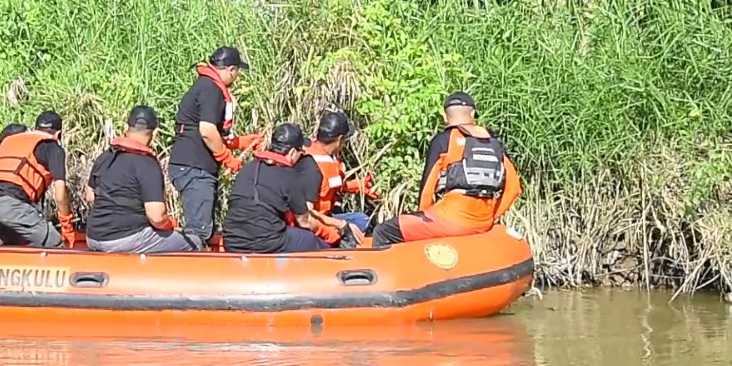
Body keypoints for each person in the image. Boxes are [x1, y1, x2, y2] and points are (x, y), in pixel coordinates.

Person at [373, 93, 522, 246]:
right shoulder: (494, 142)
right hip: (484, 222)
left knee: (384, 231)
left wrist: (423, 216)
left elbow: (427, 189)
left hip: (451, 219)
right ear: (472, 114)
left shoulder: (443, 140)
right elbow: (514, 189)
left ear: (445, 116)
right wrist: (491, 217)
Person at [168, 46, 262, 250]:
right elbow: (207, 130)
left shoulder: (205, 86)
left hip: (192, 165)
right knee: (198, 230)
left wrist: (239, 142)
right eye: (237, 72)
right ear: (230, 70)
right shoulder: (211, 89)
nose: (236, 77)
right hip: (193, 167)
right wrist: (227, 158)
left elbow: (211, 132)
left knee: (205, 228)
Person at [84, 105, 198, 253]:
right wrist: (170, 226)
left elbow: (90, 196)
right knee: (194, 241)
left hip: (93, 237)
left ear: (126, 127)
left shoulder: (106, 156)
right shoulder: (147, 164)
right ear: (155, 133)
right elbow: (156, 217)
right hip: (126, 239)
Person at [221, 123, 328, 254]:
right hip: (265, 242)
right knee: (312, 241)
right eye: (301, 152)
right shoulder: (290, 176)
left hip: (231, 240)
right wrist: (329, 231)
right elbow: (304, 222)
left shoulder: (248, 167)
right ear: (293, 152)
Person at [0, 110, 76, 248]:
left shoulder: (12, 140)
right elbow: (60, 194)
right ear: (58, 134)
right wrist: (67, 228)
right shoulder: (52, 147)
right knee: (54, 242)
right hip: (9, 205)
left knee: (16, 244)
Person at [294, 111, 380, 248]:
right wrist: (336, 228)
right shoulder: (320, 167)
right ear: (339, 139)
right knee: (362, 221)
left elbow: (334, 185)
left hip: (314, 216)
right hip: (316, 221)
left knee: (359, 219)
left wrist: (359, 185)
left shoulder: (309, 148)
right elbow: (309, 211)